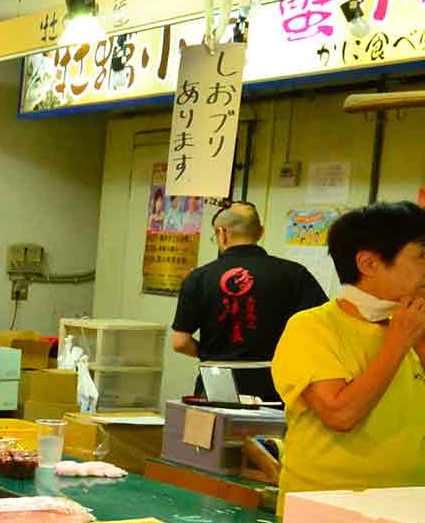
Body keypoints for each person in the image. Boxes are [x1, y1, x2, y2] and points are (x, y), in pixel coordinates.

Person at [271, 201, 425, 505]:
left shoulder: (411, 324)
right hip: (325, 508)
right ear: (368, 264)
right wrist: (398, 343)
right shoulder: (311, 327)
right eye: (422, 255)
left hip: (409, 503)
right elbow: (340, 414)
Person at [170, 201, 327, 401]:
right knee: (269, 433)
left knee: (213, 431)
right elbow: (320, 328)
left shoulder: (199, 277)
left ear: (221, 233)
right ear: (260, 232)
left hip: (216, 381)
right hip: (275, 380)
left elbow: (180, 342)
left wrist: (212, 354)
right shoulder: (293, 273)